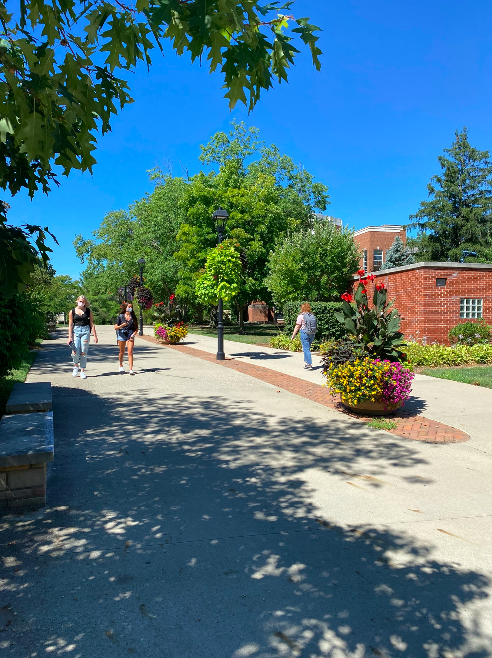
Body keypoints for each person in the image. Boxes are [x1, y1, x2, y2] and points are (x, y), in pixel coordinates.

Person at [67, 295, 98, 379]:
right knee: (75, 351)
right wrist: (69, 337)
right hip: (76, 331)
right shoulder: (72, 311)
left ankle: (82, 370)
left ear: (85, 303)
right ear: (77, 301)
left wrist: (95, 335)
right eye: (80, 301)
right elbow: (70, 325)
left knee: (84, 351)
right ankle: (76, 366)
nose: (81, 303)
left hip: (85, 331)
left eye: (83, 302)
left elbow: (92, 323)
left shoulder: (88, 311)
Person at [291, 303, 317, 369]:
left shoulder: (301, 316)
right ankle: (306, 362)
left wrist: (293, 335)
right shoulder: (312, 315)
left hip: (304, 332)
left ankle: (309, 364)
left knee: (306, 349)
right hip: (312, 333)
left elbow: (297, 326)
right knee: (307, 348)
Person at [114, 302, 138, 374]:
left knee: (130, 352)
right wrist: (122, 325)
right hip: (121, 334)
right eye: (128, 307)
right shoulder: (120, 316)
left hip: (130, 334)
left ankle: (131, 369)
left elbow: (136, 328)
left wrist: (133, 335)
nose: (130, 308)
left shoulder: (133, 318)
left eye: (131, 307)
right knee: (122, 352)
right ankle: (121, 365)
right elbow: (115, 327)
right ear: (125, 308)